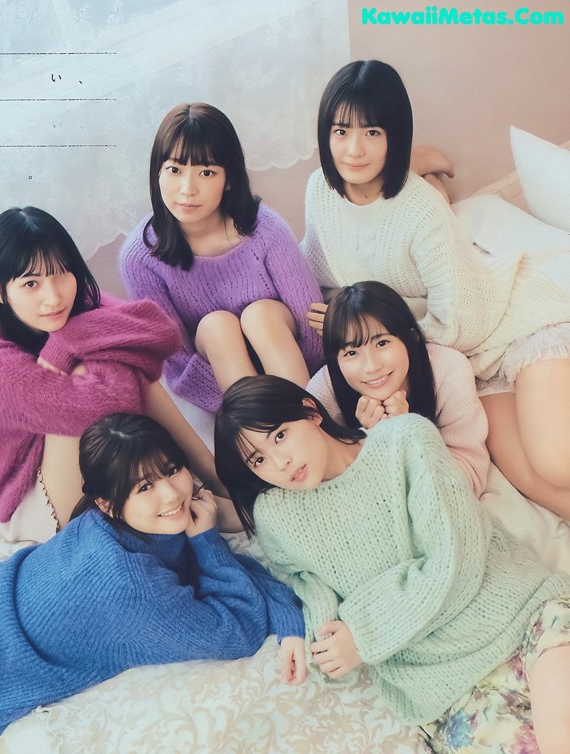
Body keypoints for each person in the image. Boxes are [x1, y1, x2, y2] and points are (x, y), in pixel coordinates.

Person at [214, 375, 570, 754]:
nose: (279, 462)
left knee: (563, 747)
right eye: (257, 459)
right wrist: (325, 645)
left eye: (280, 434)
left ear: (311, 410)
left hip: (520, 614)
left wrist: (365, 630)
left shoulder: (404, 440)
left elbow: (455, 556)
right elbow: (314, 594)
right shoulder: (276, 517)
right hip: (443, 691)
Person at [0, 412, 306, 744]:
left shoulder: (114, 524)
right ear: (107, 503)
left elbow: (230, 570)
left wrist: (287, 615)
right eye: (145, 487)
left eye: (173, 470)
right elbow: (239, 630)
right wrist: (206, 541)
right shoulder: (131, 588)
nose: (172, 495)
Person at [301, 59, 570, 520]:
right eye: (341, 131)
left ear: (393, 134)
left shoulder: (421, 211)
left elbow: (462, 317)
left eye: (372, 133)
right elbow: (326, 268)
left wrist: (379, 332)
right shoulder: (319, 190)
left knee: (556, 462)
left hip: (503, 322)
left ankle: (415, 165)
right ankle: (418, 161)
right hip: (463, 360)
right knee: (526, 477)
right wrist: (346, 315)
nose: (353, 149)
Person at [0, 206, 236, 541]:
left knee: (114, 360)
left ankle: (214, 477)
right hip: (35, 499)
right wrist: (109, 347)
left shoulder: (77, 303)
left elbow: (162, 332)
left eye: (61, 274)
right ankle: (185, 505)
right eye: (31, 283)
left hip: (79, 444)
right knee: (110, 365)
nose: (53, 296)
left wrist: (65, 341)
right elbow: (107, 405)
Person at [119, 102, 324, 412]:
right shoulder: (141, 258)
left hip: (288, 358)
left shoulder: (266, 230)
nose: (187, 190)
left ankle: (311, 418)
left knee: (260, 316)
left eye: (206, 172)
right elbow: (179, 363)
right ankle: (254, 428)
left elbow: (311, 324)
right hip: (226, 376)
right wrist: (232, 406)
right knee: (217, 326)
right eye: (174, 170)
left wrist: (311, 378)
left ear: (229, 179)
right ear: (157, 173)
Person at [307, 280, 489, 496]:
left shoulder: (448, 370)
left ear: (410, 337)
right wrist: (367, 441)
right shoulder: (325, 390)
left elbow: (470, 476)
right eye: (351, 353)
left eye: (382, 343)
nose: (371, 366)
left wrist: (410, 433)